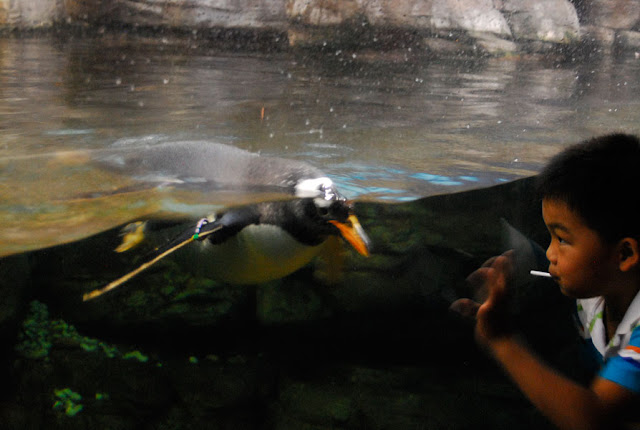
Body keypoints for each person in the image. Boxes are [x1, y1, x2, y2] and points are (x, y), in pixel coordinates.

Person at [452, 133, 640, 430]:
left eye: (562, 239)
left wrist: (501, 341)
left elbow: (592, 419)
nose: (551, 252)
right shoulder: (598, 288)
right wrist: (511, 278)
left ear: (625, 254)